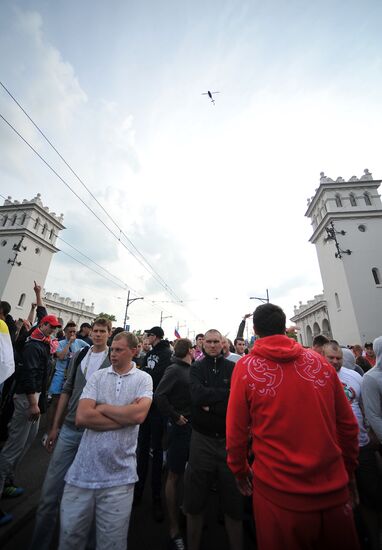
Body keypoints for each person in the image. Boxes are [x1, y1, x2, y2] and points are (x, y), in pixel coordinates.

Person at [226, 303, 360, 550]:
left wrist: (239, 469)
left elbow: (235, 432)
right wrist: (348, 471)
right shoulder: (320, 363)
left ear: (255, 330)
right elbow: (348, 426)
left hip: (278, 497)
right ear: (284, 326)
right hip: (333, 492)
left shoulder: (245, 368)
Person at [58, 331, 152, 550]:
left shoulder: (143, 379)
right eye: (112, 349)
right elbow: (82, 417)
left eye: (119, 350)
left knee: (111, 544)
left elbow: (139, 416)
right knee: (70, 539)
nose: (113, 354)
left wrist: (102, 408)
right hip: (82, 475)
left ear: (134, 351)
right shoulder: (98, 377)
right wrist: (125, 417)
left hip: (120, 478)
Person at [30, 318, 112, 550]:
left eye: (102, 331)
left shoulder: (112, 360)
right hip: (68, 430)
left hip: (94, 436)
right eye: (95, 331)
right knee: (49, 496)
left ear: (109, 334)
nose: (97, 334)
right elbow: (66, 389)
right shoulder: (80, 356)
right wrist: (54, 426)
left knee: (90, 500)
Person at [184, 329, 244, 550]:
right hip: (202, 440)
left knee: (233, 503)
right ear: (202, 345)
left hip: (229, 441)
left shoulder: (233, 367)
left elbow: (237, 398)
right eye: (208, 341)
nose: (211, 345)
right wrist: (222, 398)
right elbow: (197, 396)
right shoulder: (196, 368)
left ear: (223, 344)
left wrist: (212, 405)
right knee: (195, 501)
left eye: (215, 341)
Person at [0, 314, 61, 526]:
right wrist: (33, 402)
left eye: (54, 328)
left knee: (27, 441)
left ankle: (7, 481)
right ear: (41, 325)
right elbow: (29, 374)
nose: (52, 331)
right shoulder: (33, 345)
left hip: (35, 397)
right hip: (28, 398)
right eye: (49, 326)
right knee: (13, 447)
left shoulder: (42, 342)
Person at [324, 343, 382, 550]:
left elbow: (366, 406)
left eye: (338, 358)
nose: (335, 362)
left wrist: (371, 431)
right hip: (335, 451)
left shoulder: (356, 377)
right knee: (342, 501)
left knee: (371, 496)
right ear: (323, 357)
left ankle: (374, 541)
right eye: (331, 358)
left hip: (362, 446)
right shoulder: (316, 379)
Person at [155, 338, 193, 550]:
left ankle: (185, 512)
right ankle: (173, 528)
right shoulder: (174, 369)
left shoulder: (191, 369)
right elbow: (159, 395)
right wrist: (175, 416)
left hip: (192, 429)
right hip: (179, 430)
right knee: (174, 475)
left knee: (190, 474)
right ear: (189, 350)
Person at [134, 326, 172, 520]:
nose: (146, 337)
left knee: (156, 451)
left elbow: (156, 377)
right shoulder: (151, 353)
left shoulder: (166, 353)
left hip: (156, 408)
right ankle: (138, 490)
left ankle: (156, 496)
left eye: (148, 334)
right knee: (142, 448)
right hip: (145, 406)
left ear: (154, 336)